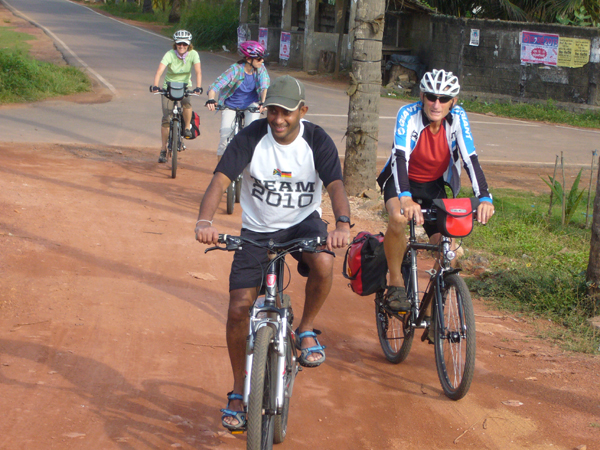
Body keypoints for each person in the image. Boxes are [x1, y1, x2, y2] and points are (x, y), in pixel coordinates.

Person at [195, 75, 351, 430]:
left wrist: (342, 224)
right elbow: (220, 181)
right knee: (238, 309)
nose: (278, 119)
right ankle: (238, 391)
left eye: (286, 112)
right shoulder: (251, 137)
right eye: (272, 111)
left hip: (303, 224)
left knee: (324, 261)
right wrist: (204, 221)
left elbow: (335, 183)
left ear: (302, 111)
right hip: (257, 230)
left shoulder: (315, 140)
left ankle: (306, 329)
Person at [377, 69, 495, 312]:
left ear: (454, 101)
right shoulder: (407, 114)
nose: (436, 104)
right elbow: (399, 156)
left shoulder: (458, 118)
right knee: (398, 218)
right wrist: (406, 198)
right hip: (401, 181)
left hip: (433, 186)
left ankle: (433, 311)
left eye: (443, 99)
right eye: (431, 97)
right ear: (421, 96)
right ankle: (396, 282)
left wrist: (484, 197)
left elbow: (469, 157)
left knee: (448, 248)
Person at [205, 41, 270, 161]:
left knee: (252, 135)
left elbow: (264, 86)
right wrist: (211, 100)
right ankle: (221, 172)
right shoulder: (235, 70)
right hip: (230, 105)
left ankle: (249, 168)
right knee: (224, 140)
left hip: (252, 104)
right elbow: (214, 87)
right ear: (248, 58)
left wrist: (263, 102)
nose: (262, 61)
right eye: (259, 59)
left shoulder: (260, 70)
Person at [150, 30, 202, 163]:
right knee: (167, 118)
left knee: (187, 104)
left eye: (185, 44)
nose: (182, 46)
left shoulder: (193, 54)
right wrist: (155, 85)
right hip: (169, 87)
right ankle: (163, 149)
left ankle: (186, 128)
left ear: (189, 45)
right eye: (179, 44)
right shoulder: (169, 55)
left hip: (185, 86)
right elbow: (159, 71)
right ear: (175, 44)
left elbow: (198, 71)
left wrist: (198, 87)